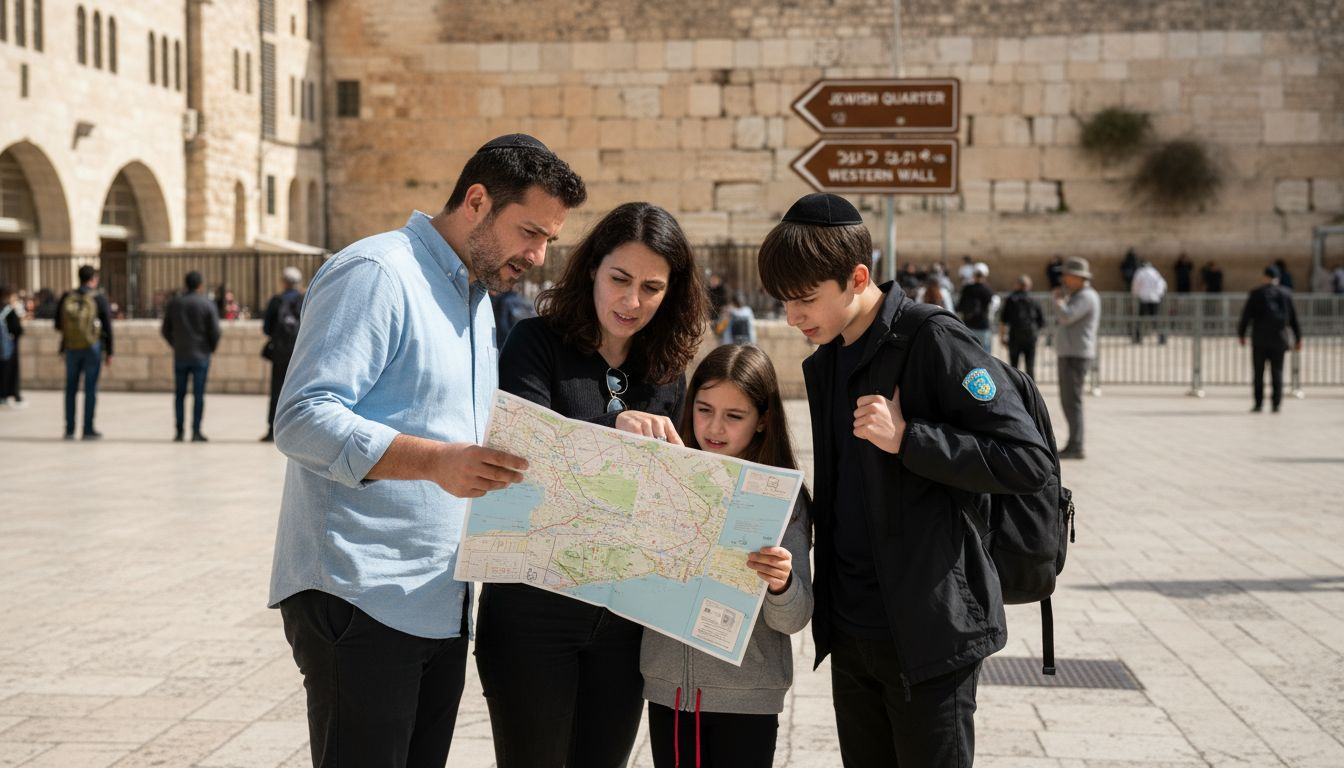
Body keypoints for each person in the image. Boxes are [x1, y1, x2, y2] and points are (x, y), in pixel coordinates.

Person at [268, 133, 587, 768]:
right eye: (530, 232)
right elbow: (302, 418)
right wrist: (438, 463)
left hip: (437, 602)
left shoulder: (474, 300)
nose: (539, 255)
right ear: (476, 201)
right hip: (360, 597)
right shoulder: (378, 274)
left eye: (549, 239)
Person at [756, 193, 1052, 766]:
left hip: (929, 634)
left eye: (805, 300)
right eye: (784, 302)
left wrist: (909, 439)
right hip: (852, 635)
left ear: (857, 277)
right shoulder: (829, 356)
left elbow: (1028, 459)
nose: (792, 317)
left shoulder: (933, 340)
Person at [475, 202, 707, 768]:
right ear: (592, 272)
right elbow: (521, 459)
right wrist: (613, 427)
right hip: (533, 614)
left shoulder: (667, 371)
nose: (632, 302)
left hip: (625, 622)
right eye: (620, 280)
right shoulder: (534, 343)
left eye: (652, 287)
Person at [640, 343, 812, 768]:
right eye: (704, 409)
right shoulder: (666, 479)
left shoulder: (786, 500)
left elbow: (794, 618)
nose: (715, 427)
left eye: (734, 416)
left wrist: (782, 584)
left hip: (748, 699)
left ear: (762, 421)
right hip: (670, 691)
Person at [161, 271, 222, 442]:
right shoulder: (206, 304)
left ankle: (179, 431)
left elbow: (165, 330)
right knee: (198, 395)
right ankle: (196, 431)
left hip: (181, 354)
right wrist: (211, 348)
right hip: (201, 355)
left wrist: (175, 344)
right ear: (200, 285)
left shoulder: (175, 303)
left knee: (179, 394)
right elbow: (215, 331)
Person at [55, 265, 114, 440]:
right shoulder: (98, 298)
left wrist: (63, 347)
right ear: (93, 279)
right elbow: (108, 327)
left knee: (70, 389)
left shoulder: (67, 297)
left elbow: (58, 325)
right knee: (90, 389)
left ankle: (69, 429)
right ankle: (88, 428)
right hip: (92, 348)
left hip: (71, 347)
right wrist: (110, 351)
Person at [1053, 257, 1101, 460]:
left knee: (1072, 402)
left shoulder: (1086, 297)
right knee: (1069, 401)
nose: (1063, 278)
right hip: (1070, 353)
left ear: (1078, 277)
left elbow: (1066, 316)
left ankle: (1077, 445)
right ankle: (1074, 442)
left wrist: (1057, 302)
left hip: (1076, 355)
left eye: (1067, 275)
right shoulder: (1078, 295)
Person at [1238, 265, 1303, 413]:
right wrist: (1298, 338)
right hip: (1279, 339)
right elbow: (1293, 319)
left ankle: (1258, 403)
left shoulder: (1256, 294)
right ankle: (1276, 404)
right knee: (1277, 372)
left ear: (1265, 277)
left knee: (1259, 373)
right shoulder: (1286, 294)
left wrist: (1241, 334)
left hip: (1259, 339)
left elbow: (1246, 316)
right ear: (1278, 279)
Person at [260, 267, 306, 442]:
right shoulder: (303, 300)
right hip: (299, 352)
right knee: (300, 391)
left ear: (284, 281)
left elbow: (266, 328)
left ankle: (272, 429)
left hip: (279, 352)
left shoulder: (276, 301)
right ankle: (298, 431)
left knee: (277, 391)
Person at [1000, 274, 1045, 380]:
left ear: (1017, 285)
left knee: (1013, 367)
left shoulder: (1011, 299)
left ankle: (1014, 390)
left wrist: (1002, 337)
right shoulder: (1034, 300)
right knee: (1030, 365)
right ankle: (1031, 390)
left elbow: (1003, 320)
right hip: (1030, 337)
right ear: (1029, 286)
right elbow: (1041, 322)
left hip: (1014, 336)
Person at [956, 262, 996, 353]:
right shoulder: (988, 290)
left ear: (973, 274)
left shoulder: (967, 289)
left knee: (969, 353)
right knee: (985, 354)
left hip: (968, 325)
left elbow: (959, 306)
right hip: (983, 326)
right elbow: (993, 306)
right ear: (985, 275)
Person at [1131, 259, 1167, 344]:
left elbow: (1135, 285)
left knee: (1140, 319)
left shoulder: (1140, 272)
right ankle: (1162, 338)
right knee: (1155, 319)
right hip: (1155, 299)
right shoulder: (1155, 272)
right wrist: (1158, 294)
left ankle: (1137, 338)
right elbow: (1162, 284)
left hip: (1144, 298)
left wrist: (1134, 294)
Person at [0, 285, 25, 408]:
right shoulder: (9, 311)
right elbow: (18, 330)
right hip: (9, 348)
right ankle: (14, 395)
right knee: (11, 373)